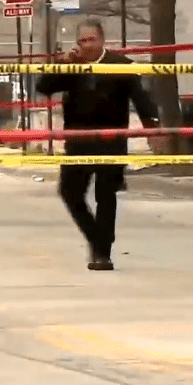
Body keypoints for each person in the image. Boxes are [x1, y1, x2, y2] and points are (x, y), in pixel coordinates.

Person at [35, 18, 163, 271]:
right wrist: (61, 65)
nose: (87, 45)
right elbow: (43, 87)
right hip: (78, 141)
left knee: (106, 196)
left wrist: (153, 127)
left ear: (102, 40)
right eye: (82, 40)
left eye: (91, 39)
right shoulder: (72, 66)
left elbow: (141, 98)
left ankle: (102, 253)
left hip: (111, 140)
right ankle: (98, 238)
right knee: (70, 193)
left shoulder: (120, 65)